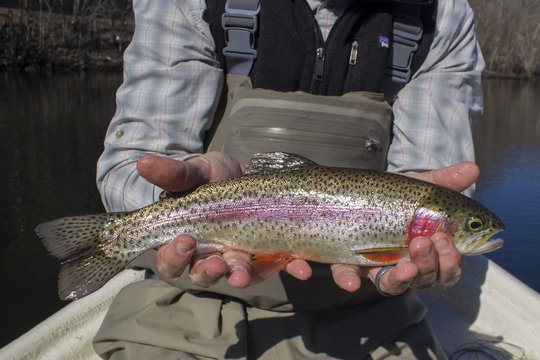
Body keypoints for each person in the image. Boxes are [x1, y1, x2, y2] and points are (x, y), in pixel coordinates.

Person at [93, 0, 484, 359]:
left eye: (473, 226)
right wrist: (181, 202)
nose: (474, 231)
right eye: (473, 226)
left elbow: (424, 177)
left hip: (367, 312)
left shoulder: (439, 14)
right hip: (188, 298)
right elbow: (126, 172)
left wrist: (415, 262)